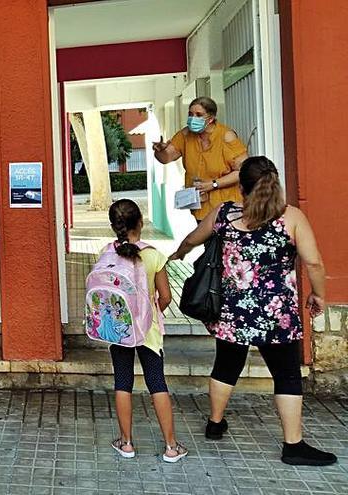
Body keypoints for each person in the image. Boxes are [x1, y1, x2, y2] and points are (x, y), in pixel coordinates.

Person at [171, 156, 337, 466]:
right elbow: (313, 262)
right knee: (286, 375)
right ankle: (293, 445)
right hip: (277, 315)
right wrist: (319, 295)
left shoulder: (225, 214)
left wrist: (179, 252)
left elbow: (193, 239)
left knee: (226, 365)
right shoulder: (291, 218)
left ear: (242, 189)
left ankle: (215, 423)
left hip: (232, 312)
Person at [103, 199, 187, 463]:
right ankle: (171, 447)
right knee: (157, 383)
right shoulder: (154, 254)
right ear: (140, 222)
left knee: (122, 382)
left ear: (114, 225)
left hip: (119, 329)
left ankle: (126, 443)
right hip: (148, 330)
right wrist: (152, 313)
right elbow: (166, 296)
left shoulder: (106, 252)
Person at [152, 97, 249, 222]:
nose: (193, 118)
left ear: (211, 118)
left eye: (199, 115)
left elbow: (243, 172)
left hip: (228, 208)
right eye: (190, 114)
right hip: (200, 207)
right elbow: (166, 158)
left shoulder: (226, 136)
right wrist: (160, 150)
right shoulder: (185, 135)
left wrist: (213, 184)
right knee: (207, 241)